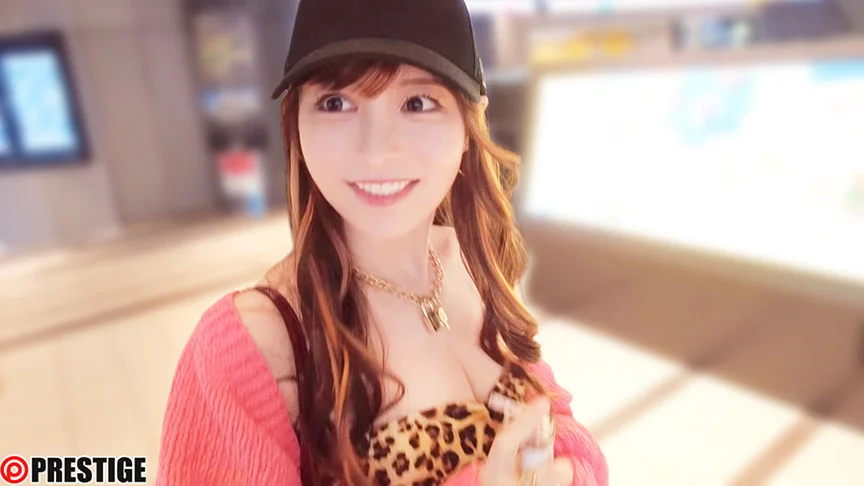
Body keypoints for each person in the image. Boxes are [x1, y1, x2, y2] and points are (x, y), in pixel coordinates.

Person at [156, 0, 608, 484]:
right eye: (336, 102)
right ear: (297, 124)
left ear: (468, 124)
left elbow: (557, 425)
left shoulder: (474, 261)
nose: (375, 151)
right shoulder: (252, 347)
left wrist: (566, 472)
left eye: (418, 103)